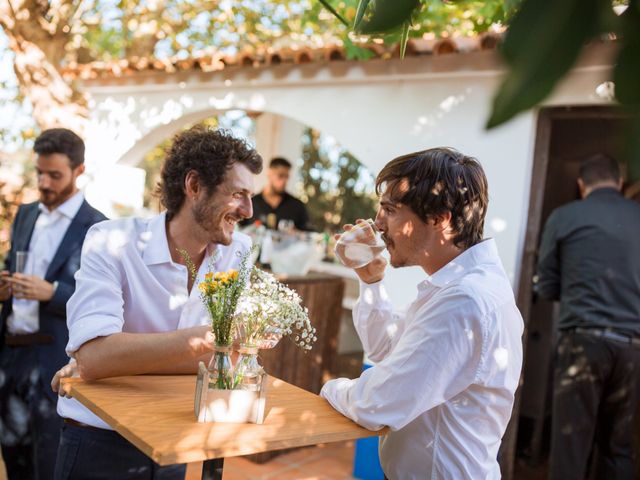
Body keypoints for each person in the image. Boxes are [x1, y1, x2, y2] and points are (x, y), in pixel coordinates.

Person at [50, 126, 262, 480]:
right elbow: (95, 356)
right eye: (239, 193)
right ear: (194, 186)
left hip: (173, 439)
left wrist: (112, 362)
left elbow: (232, 361)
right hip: (99, 439)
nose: (249, 210)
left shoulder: (238, 252)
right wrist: (212, 340)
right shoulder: (110, 240)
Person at [320, 147, 524, 479]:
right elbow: (384, 350)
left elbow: (378, 405)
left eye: (390, 209)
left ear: (439, 218)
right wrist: (371, 280)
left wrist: (328, 388)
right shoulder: (452, 287)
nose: (378, 223)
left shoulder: (464, 300)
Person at [0, 128, 107, 480]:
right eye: (40, 173)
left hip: (54, 362)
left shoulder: (99, 228)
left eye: (54, 175)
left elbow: (103, 302)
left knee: (48, 462)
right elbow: (9, 266)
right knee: (12, 455)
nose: (44, 183)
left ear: (79, 170)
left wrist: (53, 292)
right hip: (11, 356)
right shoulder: (27, 213)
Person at [536, 153, 640, 480]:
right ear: (619, 183)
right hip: (633, 348)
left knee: (570, 444)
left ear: (582, 186)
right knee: (618, 447)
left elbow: (547, 285)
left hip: (582, 341)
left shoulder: (564, 217)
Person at [242, 156, 310, 230]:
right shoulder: (251, 202)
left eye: (287, 177)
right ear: (269, 173)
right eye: (280, 176)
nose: (284, 181)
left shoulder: (297, 206)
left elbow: (309, 234)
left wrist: (297, 234)